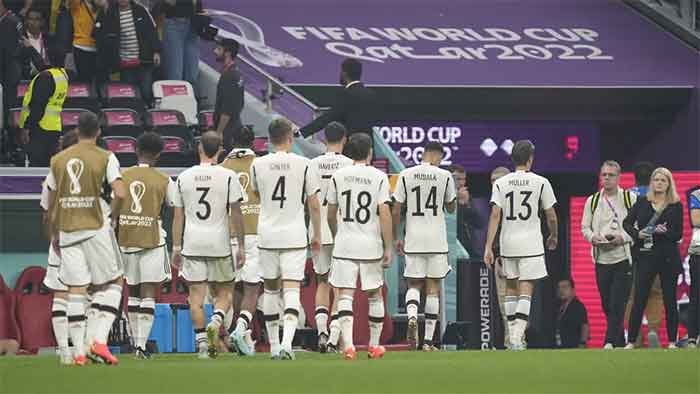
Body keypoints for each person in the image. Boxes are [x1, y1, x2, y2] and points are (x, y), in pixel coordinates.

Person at [46, 111, 126, 365]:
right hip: (94, 226)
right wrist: (111, 216)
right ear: (99, 132)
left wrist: (55, 234)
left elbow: (50, 202)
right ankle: (99, 340)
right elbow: (121, 192)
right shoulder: (105, 156)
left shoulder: (57, 160)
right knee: (114, 281)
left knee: (76, 288)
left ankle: (78, 351)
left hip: (67, 230)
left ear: (77, 130)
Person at [250, 117, 322, 360]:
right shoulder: (304, 164)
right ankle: (287, 345)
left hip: (268, 233)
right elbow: (313, 203)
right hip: (293, 234)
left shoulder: (257, 164)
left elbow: (256, 193)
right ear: (290, 138)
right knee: (292, 289)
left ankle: (272, 346)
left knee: (270, 291)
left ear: (270, 139)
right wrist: (317, 233)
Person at [170, 131, 246, 359]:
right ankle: (216, 321)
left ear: (199, 149)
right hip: (219, 243)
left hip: (193, 243)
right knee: (225, 292)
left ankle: (203, 344)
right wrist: (241, 245)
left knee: (196, 297)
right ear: (220, 150)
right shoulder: (229, 175)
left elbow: (178, 216)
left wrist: (175, 246)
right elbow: (236, 213)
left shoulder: (184, 177)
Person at [483, 140, 558, 351]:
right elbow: (551, 215)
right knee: (526, 290)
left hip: (508, 243)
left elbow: (495, 214)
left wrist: (489, 246)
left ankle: (513, 334)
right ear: (530, 158)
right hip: (531, 243)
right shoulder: (541, 182)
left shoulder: (501, 183)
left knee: (510, 289)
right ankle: (516, 336)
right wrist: (553, 235)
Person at [327, 133, 393, 360]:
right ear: (370, 153)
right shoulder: (379, 177)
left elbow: (330, 212)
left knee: (345, 294)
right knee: (375, 295)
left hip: (345, 244)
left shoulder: (338, 176)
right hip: (370, 244)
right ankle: (374, 346)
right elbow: (384, 212)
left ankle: (348, 346)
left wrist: (338, 234)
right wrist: (389, 246)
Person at [115, 132, 175, 360]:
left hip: (125, 239)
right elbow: (173, 204)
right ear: (158, 155)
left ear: (136, 150)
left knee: (133, 291)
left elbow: (113, 206)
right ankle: (141, 346)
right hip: (152, 239)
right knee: (149, 291)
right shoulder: (164, 179)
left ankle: (134, 343)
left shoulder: (121, 176)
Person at [392, 141, 457, 351]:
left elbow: (396, 208)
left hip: (414, 237)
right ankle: (428, 341)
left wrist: (395, 236)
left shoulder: (406, 174)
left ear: (424, 153)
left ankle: (412, 316)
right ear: (437, 155)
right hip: (436, 239)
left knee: (414, 284)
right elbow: (451, 206)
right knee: (433, 289)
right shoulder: (444, 175)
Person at [624, 167, 683, 349]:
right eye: (656, 180)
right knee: (639, 298)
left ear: (669, 184)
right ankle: (632, 341)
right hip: (646, 256)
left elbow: (678, 234)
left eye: (663, 180)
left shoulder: (676, 206)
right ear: (651, 182)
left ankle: (672, 341)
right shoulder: (642, 202)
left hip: (667, 258)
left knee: (670, 300)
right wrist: (637, 233)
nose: (659, 183)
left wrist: (664, 232)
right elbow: (626, 223)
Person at [307, 121, 353, 353]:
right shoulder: (349, 165)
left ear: (324, 139)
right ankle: (335, 337)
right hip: (342, 229)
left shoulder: (312, 164)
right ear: (344, 139)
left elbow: (310, 200)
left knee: (322, 281)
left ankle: (322, 331)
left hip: (318, 230)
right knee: (341, 284)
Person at [580, 161, 636, 349]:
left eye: (611, 175)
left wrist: (623, 238)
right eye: (604, 174)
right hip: (601, 258)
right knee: (606, 304)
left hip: (623, 258)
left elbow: (638, 228)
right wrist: (593, 238)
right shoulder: (593, 200)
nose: (607, 178)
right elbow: (584, 227)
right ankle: (619, 340)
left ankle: (609, 341)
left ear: (619, 177)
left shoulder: (630, 198)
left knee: (617, 302)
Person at [219, 127, 262, 356]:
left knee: (230, 287)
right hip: (254, 231)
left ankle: (228, 333)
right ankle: (241, 329)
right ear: (252, 142)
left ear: (232, 142)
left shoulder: (222, 167)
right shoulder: (261, 164)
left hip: (228, 232)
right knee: (252, 288)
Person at [39, 128, 78, 365]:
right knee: (84, 297)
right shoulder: (94, 169)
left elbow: (46, 214)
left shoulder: (53, 173)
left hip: (61, 239)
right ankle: (82, 347)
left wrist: (53, 239)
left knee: (61, 296)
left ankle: (65, 350)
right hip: (86, 241)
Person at [298, 59, 379, 147]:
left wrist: (302, 132)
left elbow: (328, 118)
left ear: (344, 73)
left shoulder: (346, 94)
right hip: (367, 149)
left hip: (351, 149)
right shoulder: (371, 94)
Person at [92, 0, 161, 104]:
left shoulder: (141, 10)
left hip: (144, 60)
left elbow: (152, 31)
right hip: (125, 63)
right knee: (129, 94)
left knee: (146, 92)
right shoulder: (109, 12)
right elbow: (97, 33)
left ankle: (147, 112)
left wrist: (156, 51)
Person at [627, 161, 663, 348]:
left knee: (632, 296)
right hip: (655, 251)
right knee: (655, 294)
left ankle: (635, 338)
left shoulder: (627, 195)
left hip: (632, 253)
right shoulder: (659, 196)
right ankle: (653, 330)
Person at [17, 46, 69, 166]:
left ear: (48, 58)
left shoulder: (45, 77)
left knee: (37, 166)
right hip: (54, 127)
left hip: (39, 128)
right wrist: (31, 48)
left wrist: (26, 127)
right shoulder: (62, 75)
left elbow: (38, 107)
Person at [488, 166, 511, 349]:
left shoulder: (502, 207)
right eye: (492, 181)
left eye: (498, 181)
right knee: (508, 304)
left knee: (508, 302)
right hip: (506, 256)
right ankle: (513, 341)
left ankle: (515, 341)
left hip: (508, 257)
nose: (494, 184)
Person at [158, 0, 202, 90]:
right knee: (175, 74)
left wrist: (199, 9)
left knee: (192, 75)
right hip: (174, 23)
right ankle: (175, 102)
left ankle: (189, 102)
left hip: (194, 23)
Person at [213, 38, 244, 152]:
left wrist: (219, 132)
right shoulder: (235, 73)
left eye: (219, 49)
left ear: (227, 53)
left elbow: (227, 109)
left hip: (227, 132)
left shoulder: (229, 76)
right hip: (233, 126)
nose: (215, 51)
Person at [67, 0, 107, 84]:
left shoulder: (102, 5)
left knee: (101, 83)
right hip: (81, 48)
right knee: (84, 82)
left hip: (100, 48)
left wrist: (105, 6)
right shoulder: (78, 4)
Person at [451, 164, 485, 260]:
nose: (462, 183)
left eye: (464, 179)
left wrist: (466, 205)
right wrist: (460, 205)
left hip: (470, 248)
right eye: (458, 179)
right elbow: (453, 225)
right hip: (453, 248)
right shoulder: (444, 198)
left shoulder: (466, 197)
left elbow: (479, 223)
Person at [0, 0, 22, 116]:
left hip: (8, 72)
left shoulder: (10, 22)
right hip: (6, 71)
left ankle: (8, 131)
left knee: (8, 108)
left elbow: (10, 51)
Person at [555, 278, 589, 349]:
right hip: (560, 345)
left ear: (573, 290)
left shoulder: (578, 306)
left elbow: (584, 325)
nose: (561, 290)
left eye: (565, 287)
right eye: (559, 288)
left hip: (573, 345)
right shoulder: (557, 306)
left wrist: (582, 343)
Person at [687, 187, 700, 348]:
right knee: (696, 295)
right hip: (698, 252)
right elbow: (696, 220)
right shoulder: (697, 195)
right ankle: (692, 337)